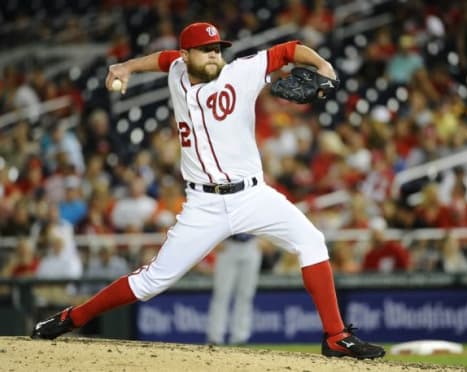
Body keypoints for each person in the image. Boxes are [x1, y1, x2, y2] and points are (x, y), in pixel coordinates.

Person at [31, 21, 384, 360]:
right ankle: (72, 318)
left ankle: (335, 336)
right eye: (205, 50)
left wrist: (323, 65)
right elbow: (163, 58)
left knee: (311, 241)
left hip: (252, 195)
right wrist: (127, 66)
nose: (215, 55)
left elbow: (289, 50)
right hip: (204, 204)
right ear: (187, 55)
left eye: (217, 49)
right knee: (152, 282)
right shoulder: (176, 71)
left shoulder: (241, 73)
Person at [206, 234, 262, 345]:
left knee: (246, 294)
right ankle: (215, 337)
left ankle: (240, 337)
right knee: (222, 294)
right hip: (228, 244)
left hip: (251, 243)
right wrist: (215, 240)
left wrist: (265, 237)